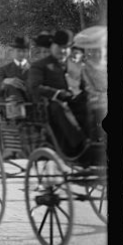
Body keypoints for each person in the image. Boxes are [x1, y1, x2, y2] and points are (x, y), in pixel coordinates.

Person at [28, 29, 87, 158]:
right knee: (60, 106)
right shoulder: (40, 65)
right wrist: (57, 93)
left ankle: (96, 139)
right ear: (53, 46)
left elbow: (84, 85)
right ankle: (80, 143)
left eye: (66, 48)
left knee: (92, 104)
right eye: (59, 47)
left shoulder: (74, 65)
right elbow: (34, 87)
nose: (62, 51)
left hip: (73, 101)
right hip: (49, 106)